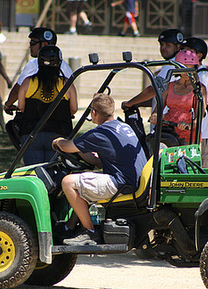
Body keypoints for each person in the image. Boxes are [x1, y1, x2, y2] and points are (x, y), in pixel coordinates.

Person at [52, 94, 147, 246]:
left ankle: (89, 232)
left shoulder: (100, 132)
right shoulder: (123, 126)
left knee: (68, 183)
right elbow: (98, 163)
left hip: (122, 183)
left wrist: (57, 141)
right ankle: (68, 227)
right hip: (134, 180)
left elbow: (65, 146)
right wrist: (82, 150)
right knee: (85, 184)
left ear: (94, 112)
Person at [18, 45, 78, 165]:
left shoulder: (27, 82)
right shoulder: (67, 84)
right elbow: (74, 109)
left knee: (34, 173)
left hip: (32, 133)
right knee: (55, 173)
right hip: (59, 134)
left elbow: (21, 107)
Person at [4, 27, 73, 111]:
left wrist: (8, 104)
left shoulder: (33, 64)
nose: (30, 46)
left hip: (35, 117)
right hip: (60, 116)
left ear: (44, 44)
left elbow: (18, 89)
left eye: (33, 43)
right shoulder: (66, 66)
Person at [148, 49, 207, 145]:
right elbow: (157, 109)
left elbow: (199, 116)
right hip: (168, 132)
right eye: (183, 68)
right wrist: (155, 116)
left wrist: (189, 125)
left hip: (188, 135)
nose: (186, 72)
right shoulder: (169, 86)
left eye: (189, 68)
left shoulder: (199, 89)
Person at [121, 29, 184, 111]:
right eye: (161, 44)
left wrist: (129, 103)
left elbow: (153, 90)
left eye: (168, 45)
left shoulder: (171, 65)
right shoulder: (176, 63)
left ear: (178, 47)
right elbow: (161, 94)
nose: (163, 48)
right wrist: (138, 102)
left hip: (166, 118)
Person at [181, 37, 208, 168]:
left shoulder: (203, 76)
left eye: (187, 51)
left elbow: (198, 104)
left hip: (203, 130)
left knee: (201, 164)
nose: (183, 54)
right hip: (186, 128)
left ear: (199, 55)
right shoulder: (186, 74)